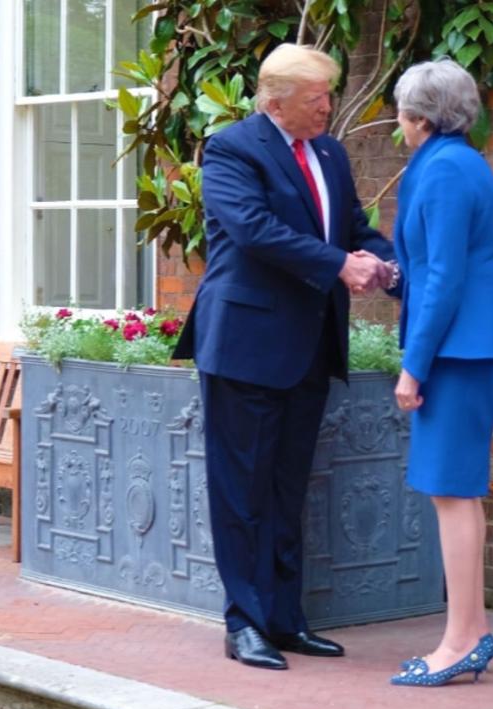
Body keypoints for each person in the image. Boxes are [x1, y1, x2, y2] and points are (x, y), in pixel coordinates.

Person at [173, 44, 395, 670]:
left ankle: (286, 620)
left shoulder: (329, 150)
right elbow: (252, 229)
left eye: (328, 94)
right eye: (316, 97)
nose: (328, 106)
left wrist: (383, 260)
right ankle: (243, 624)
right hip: (245, 345)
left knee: (287, 488)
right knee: (240, 491)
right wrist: (338, 265)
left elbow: (351, 225)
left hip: (310, 344)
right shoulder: (232, 149)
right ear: (275, 102)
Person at [385, 59, 493, 687]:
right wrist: (392, 276)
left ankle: (461, 639)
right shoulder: (461, 163)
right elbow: (435, 269)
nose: (398, 122)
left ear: (419, 116)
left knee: (452, 492)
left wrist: (413, 368)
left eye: (401, 111)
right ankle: (470, 631)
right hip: (466, 344)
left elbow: (443, 279)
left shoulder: (442, 171)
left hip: (455, 352)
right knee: (457, 491)